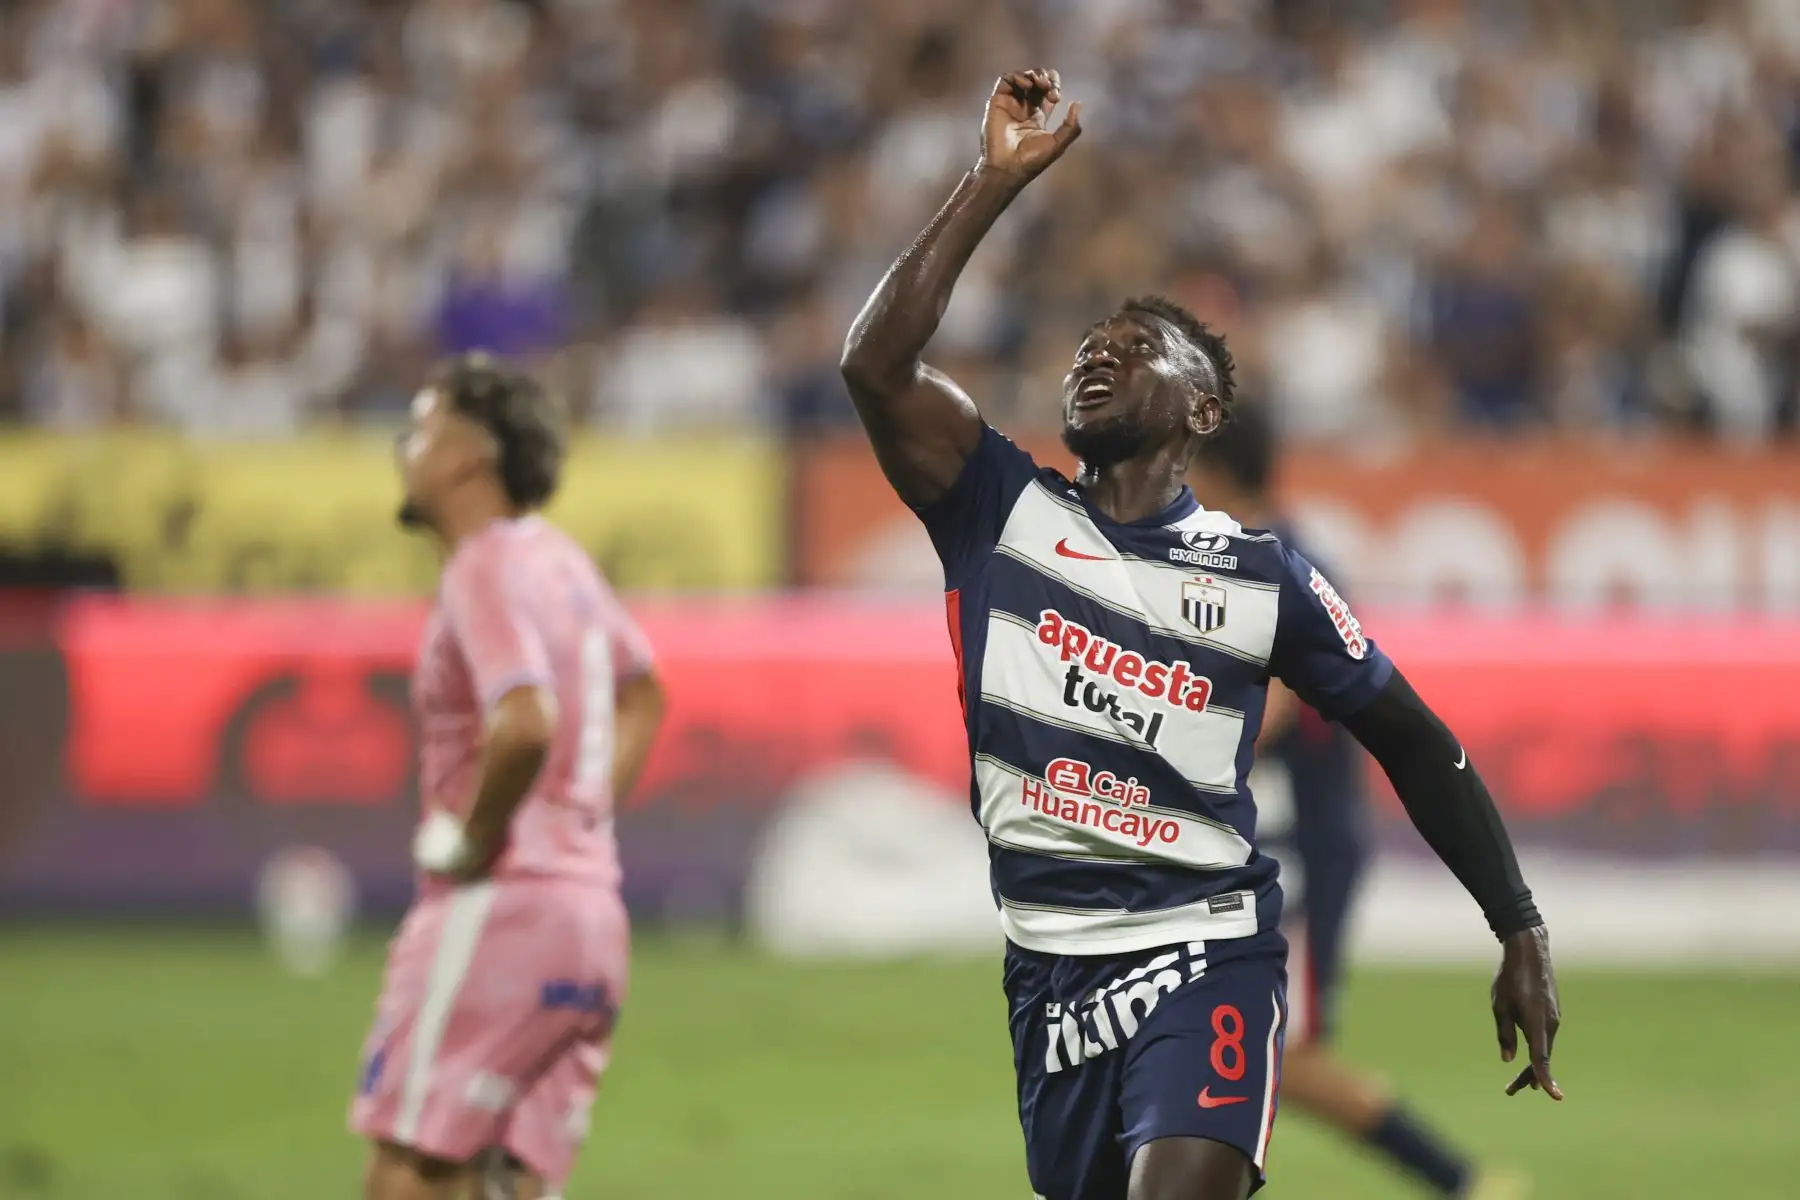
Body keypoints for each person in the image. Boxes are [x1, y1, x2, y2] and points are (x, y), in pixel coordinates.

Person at [839, 69, 1561, 1200]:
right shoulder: (999, 510)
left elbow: (1416, 740)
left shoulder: (1265, 575)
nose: (1097, 351)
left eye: (1136, 346)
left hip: (1207, 951)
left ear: (1204, 413)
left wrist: (1518, 926)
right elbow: (873, 367)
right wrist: (990, 183)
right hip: (1049, 975)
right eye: (1090, 341)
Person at [1190, 399, 1529, 1199]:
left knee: (1276, 1056)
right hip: (1285, 846)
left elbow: (1261, 713)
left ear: (1211, 471)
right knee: (1239, 1049)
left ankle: (1462, 1181)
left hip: (1300, 853)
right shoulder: (1287, 559)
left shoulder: (1268, 567)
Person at [350, 354, 667, 1200]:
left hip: (504, 907)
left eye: (421, 426)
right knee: (505, 1181)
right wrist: (583, 816)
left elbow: (524, 719)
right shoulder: (561, 562)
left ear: (467, 456)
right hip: (592, 921)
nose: (405, 447)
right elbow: (643, 691)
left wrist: (471, 836)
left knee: (411, 1168)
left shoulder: (482, 566)